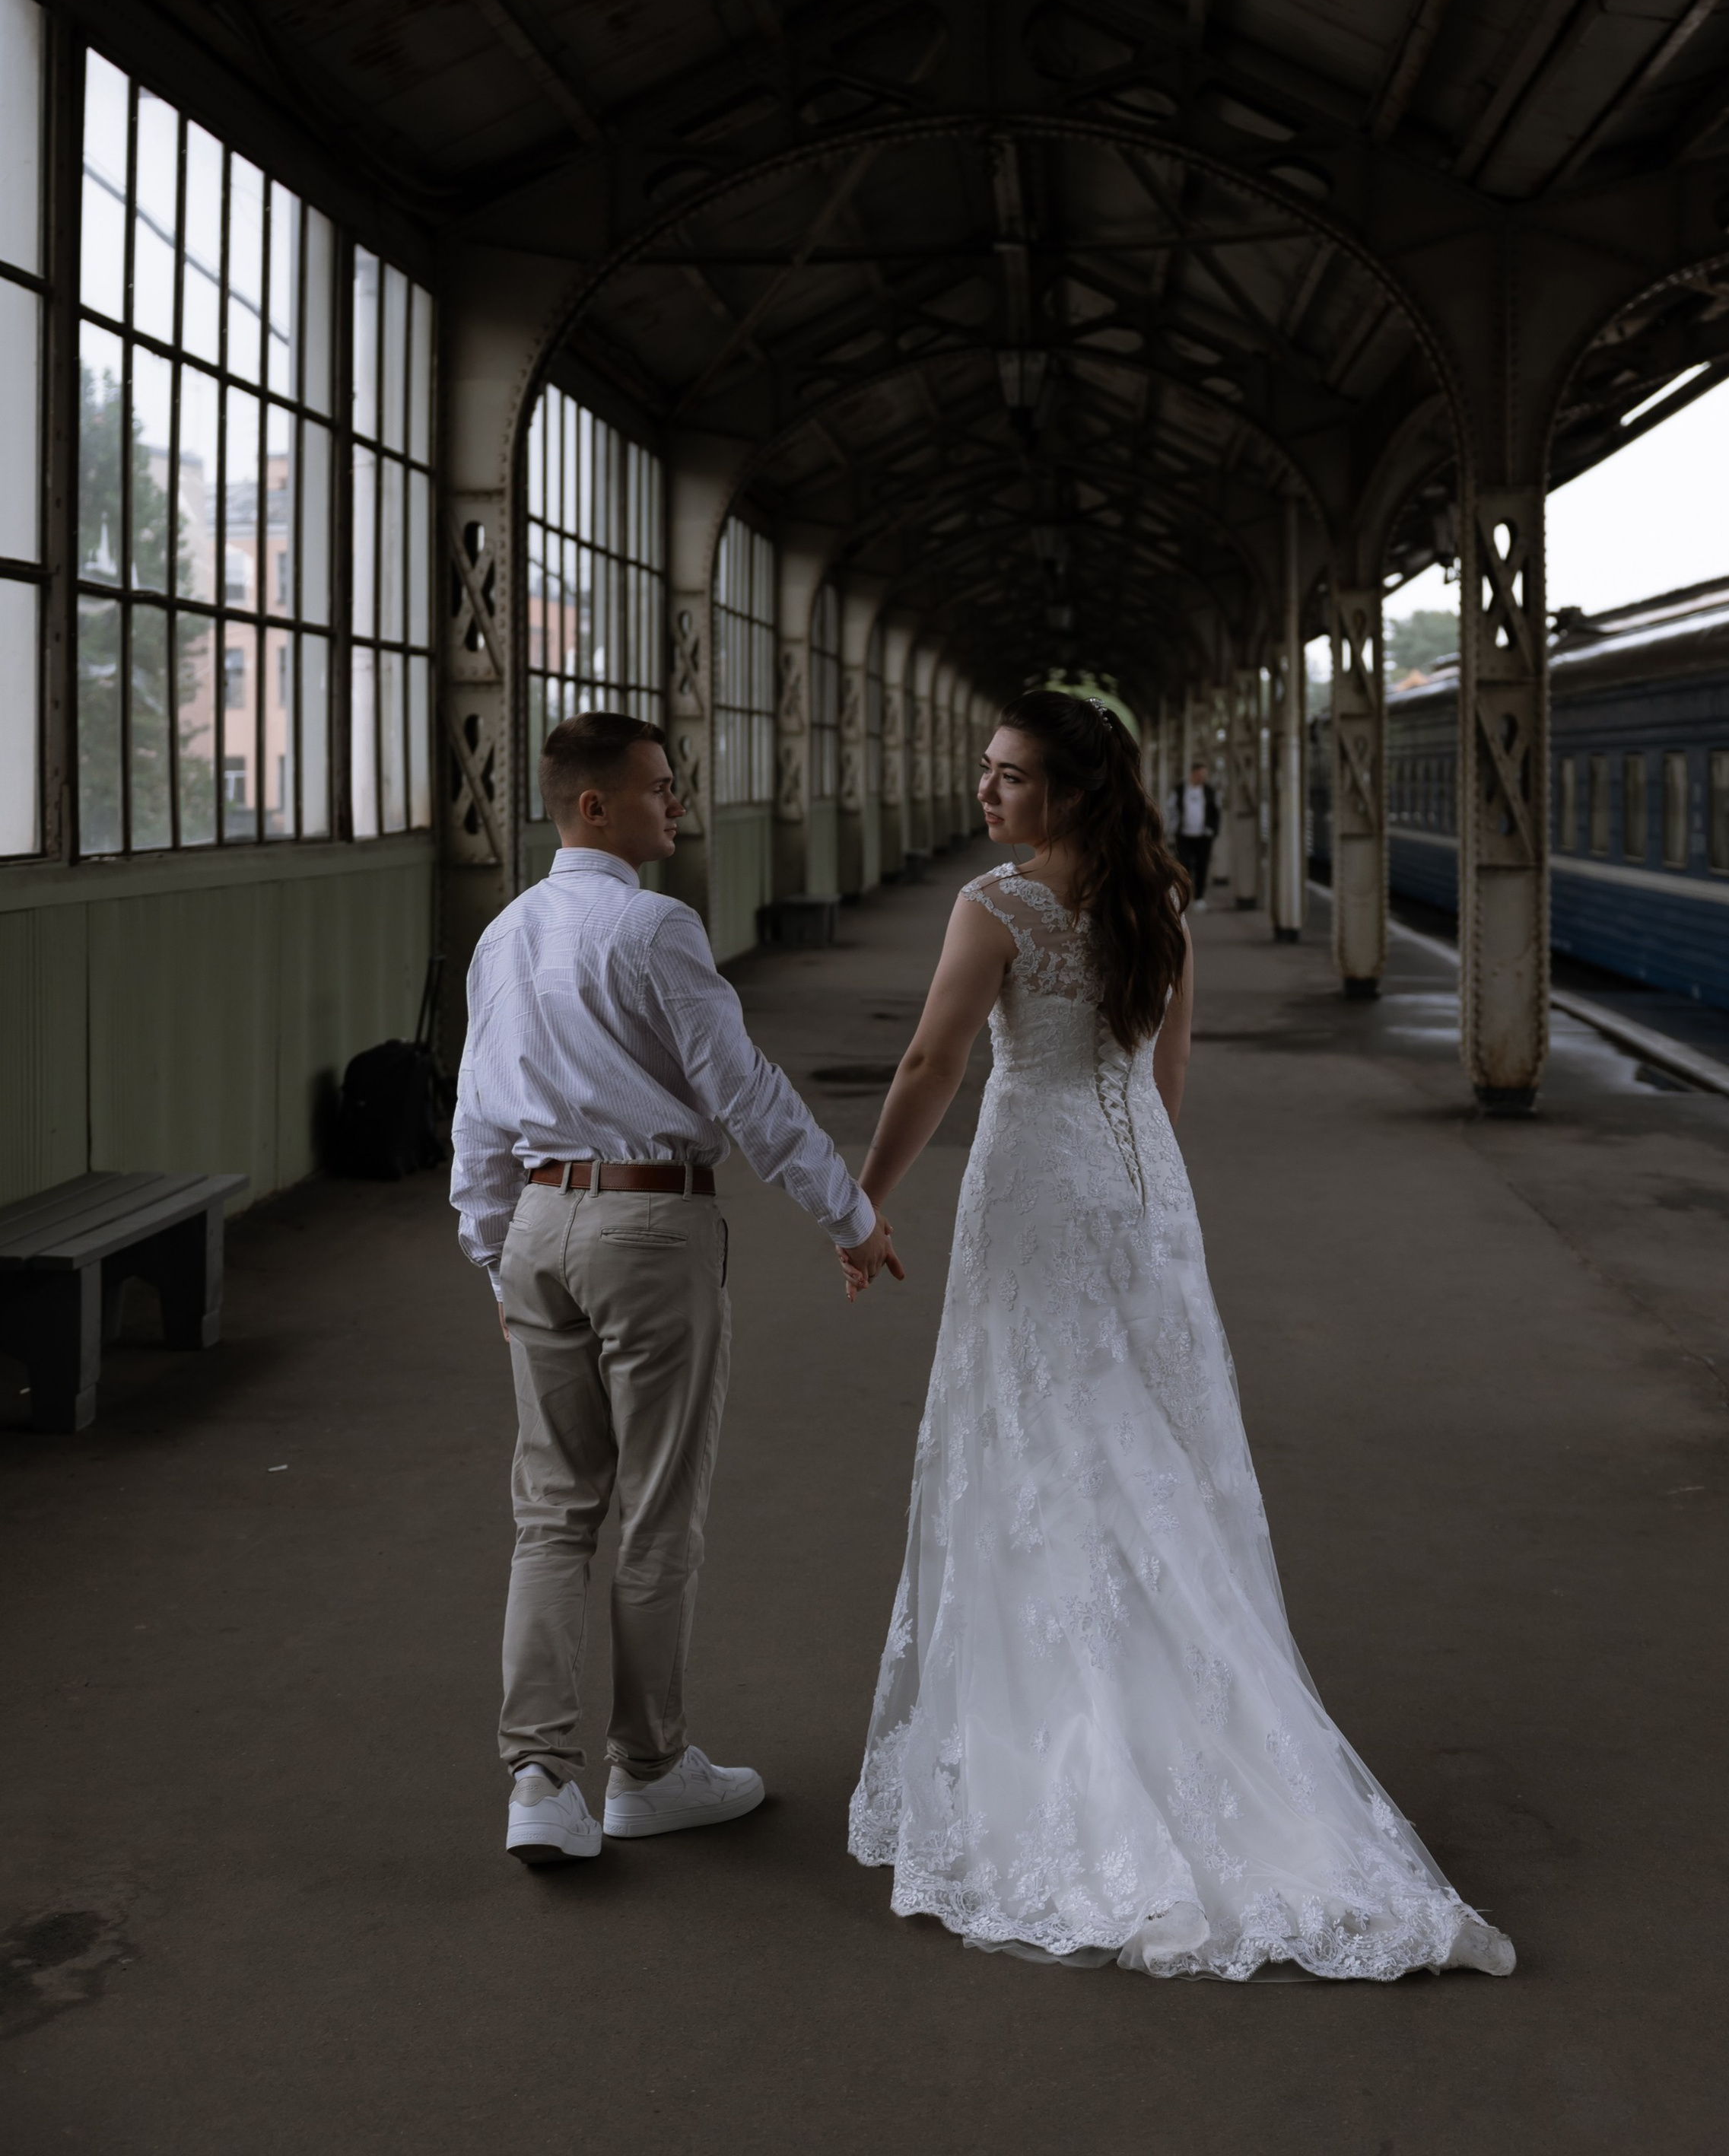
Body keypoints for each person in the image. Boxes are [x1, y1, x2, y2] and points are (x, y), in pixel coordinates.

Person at [843, 688, 1514, 1982]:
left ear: (1070, 790)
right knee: (1143, 1445)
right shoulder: (1161, 898)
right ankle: (1177, 1719)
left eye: (1011, 776)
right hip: (1140, 1191)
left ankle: (1067, 1738)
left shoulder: (995, 907)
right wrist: (1142, 1190)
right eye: (987, 770)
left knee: (1039, 1444)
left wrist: (862, 1201)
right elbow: (1170, 1068)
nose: (986, 792)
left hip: (1034, 1189)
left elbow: (932, 1064)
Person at [450, 710, 898, 1869]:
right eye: (659, 787)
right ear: (595, 806)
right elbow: (743, 1090)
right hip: (649, 1226)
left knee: (552, 1513)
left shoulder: (504, 933)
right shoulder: (654, 926)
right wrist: (849, 1218)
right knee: (655, 1510)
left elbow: (478, 1111)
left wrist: (493, 1251)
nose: (676, 803)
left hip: (537, 1222)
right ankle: (648, 1773)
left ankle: (539, 1782)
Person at [1167, 757, 1219, 908]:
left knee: (1202, 866)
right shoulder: (1180, 789)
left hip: (1203, 836)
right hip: (1184, 835)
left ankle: (1199, 897)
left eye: (1205, 775)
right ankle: (1184, 895)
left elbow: (1215, 812)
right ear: (1193, 773)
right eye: (1201, 774)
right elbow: (1171, 808)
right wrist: (1172, 829)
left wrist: (1212, 829)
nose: (1203, 778)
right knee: (1184, 866)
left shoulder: (1209, 791)